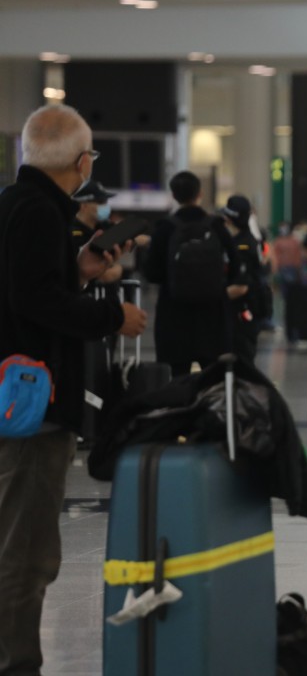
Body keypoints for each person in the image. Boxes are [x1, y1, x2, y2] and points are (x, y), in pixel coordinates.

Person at [0, 104, 147, 675]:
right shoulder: (39, 213)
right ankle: (18, 665)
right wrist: (113, 316)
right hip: (32, 407)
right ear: (82, 161)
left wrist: (80, 270)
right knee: (27, 550)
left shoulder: (17, 206)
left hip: (16, 396)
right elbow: (35, 303)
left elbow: (28, 288)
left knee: (20, 540)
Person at [144, 171, 246, 377]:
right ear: (200, 193)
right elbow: (236, 266)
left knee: (176, 379)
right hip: (212, 316)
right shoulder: (216, 226)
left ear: (173, 195)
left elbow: (151, 273)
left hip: (173, 315)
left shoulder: (164, 228)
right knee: (214, 380)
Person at [221, 195, 270, 366]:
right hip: (240, 313)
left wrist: (211, 298)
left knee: (241, 363)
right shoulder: (242, 240)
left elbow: (241, 287)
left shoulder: (243, 245)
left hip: (242, 313)